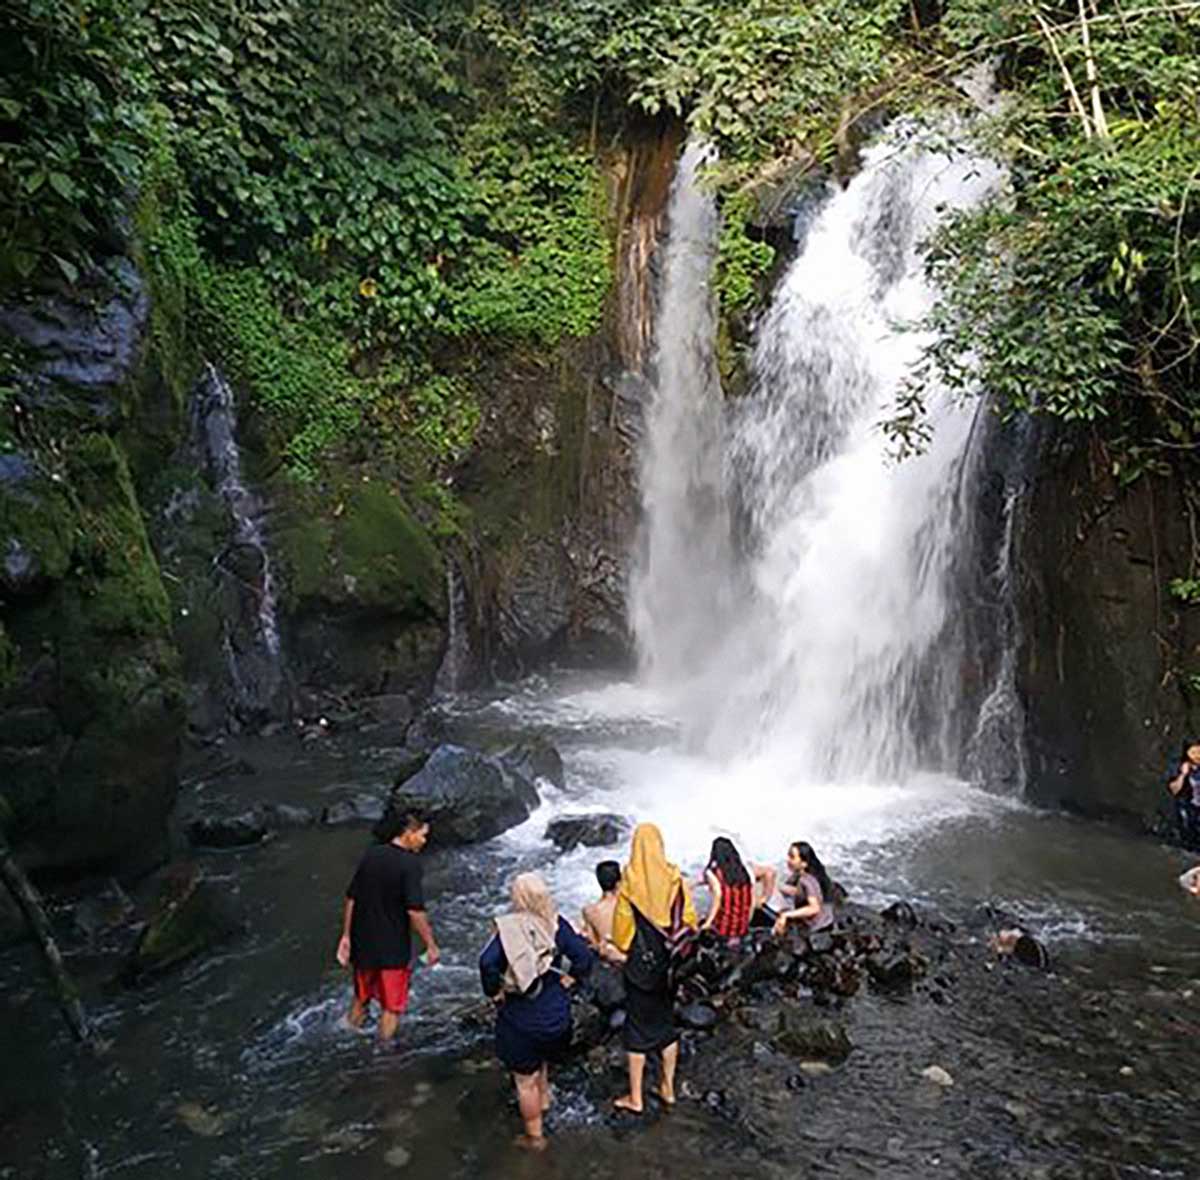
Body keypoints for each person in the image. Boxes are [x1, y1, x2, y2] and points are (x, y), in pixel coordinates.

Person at [479, 873, 595, 1151]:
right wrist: (572, 978)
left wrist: (493, 991)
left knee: (524, 1081)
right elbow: (583, 956)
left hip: (523, 1018)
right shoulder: (557, 924)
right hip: (557, 1015)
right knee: (541, 1060)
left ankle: (535, 1136)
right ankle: (545, 1100)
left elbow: (487, 963)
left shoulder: (509, 930)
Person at [610, 823, 697, 1114]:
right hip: (669, 966)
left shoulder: (629, 883)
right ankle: (668, 1087)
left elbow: (622, 936)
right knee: (666, 1025)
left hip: (639, 968)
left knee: (636, 1028)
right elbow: (689, 920)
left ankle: (636, 1098)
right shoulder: (676, 879)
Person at [335, 811, 439, 1041]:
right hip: (391, 948)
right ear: (408, 833)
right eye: (422, 835)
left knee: (361, 998)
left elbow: (352, 897)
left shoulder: (372, 855)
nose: (424, 841)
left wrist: (346, 936)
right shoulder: (410, 864)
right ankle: (382, 1058)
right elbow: (414, 910)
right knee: (391, 1007)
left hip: (363, 942)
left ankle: (348, 1035)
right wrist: (430, 944)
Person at [772, 841, 835, 938]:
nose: (788, 860)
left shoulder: (806, 880)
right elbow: (801, 892)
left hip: (816, 925)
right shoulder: (802, 876)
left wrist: (786, 915)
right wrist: (778, 887)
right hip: (826, 917)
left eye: (792, 857)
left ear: (804, 863)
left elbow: (814, 908)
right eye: (789, 855)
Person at [699, 837, 755, 944]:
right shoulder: (746, 871)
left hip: (723, 930)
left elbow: (718, 896)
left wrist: (707, 924)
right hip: (742, 928)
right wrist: (747, 922)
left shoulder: (713, 873)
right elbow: (752, 901)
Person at [581, 860, 626, 964]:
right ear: (619, 881)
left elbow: (593, 942)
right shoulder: (629, 905)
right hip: (629, 958)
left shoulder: (590, 911)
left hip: (608, 958)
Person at [1167, 742, 1200, 849]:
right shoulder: (1178, 766)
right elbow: (1174, 790)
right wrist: (1183, 775)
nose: (1197, 756)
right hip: (1187, 807)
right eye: (1193, 752)